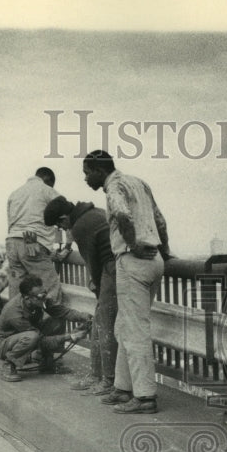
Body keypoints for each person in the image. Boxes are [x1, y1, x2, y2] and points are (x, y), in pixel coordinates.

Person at [82, 149, 172, 414]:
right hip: (154, 261)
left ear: (100, 171)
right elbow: (160, 220)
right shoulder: (139, 183)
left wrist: (133, 245)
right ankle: (123, 388)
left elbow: (122, 215)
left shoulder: (114, 188)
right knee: (124, 325)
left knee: (134, 331)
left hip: (132, 261)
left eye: (87, 174)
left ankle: (145, 397)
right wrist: (164, 251)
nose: (86, 179)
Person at [44, 196, 118, 395]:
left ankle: (107, 380)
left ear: (63, 218)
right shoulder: (96, 212)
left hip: (112, 271)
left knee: (105, 326)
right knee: (102, 324)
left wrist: (96, 286)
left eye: (60, 225)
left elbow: (92, 262)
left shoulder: (80, 226)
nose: (63, 229)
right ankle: (98, 375)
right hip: (116, 269)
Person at [0, 274, 91, 383]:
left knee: (57, 320)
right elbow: (40, 341)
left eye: (45, 293)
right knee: (32, 336)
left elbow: (64, 312)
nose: (45, 298)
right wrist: (71, 336)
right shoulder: (14, 313)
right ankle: (9, 364)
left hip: (27, 336)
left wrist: (85, 317)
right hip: (5, 345)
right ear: (27, 298)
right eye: (41, 297)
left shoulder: (39, 299)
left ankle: (46, 362)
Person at [6, 166, 66, 303]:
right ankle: (51, 323)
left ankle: (17, 322)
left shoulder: (15, 193)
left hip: (11, 241)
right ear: (48, 180)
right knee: (49, 287)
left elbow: (10, 223)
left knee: (17, 292)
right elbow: (64, 216)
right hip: (30, 238)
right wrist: (66, 246)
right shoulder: (47, 190)